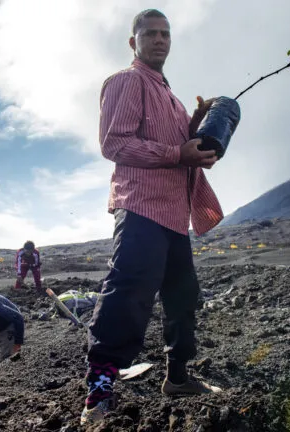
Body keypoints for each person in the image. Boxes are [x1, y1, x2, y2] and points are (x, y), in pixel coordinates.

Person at [81, 9, 224, 425]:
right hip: (142, 207)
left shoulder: (172, 97)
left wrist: (197, 124)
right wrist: (177, 153)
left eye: (166, 34)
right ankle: (98, 394)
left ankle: (177, 377)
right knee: (126, 296)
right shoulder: (126, 82)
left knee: (183, 300)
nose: (160, 40)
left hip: (175, 214)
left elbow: (181, 146)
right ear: (134, 42)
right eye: (151, 34)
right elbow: (114, 143)